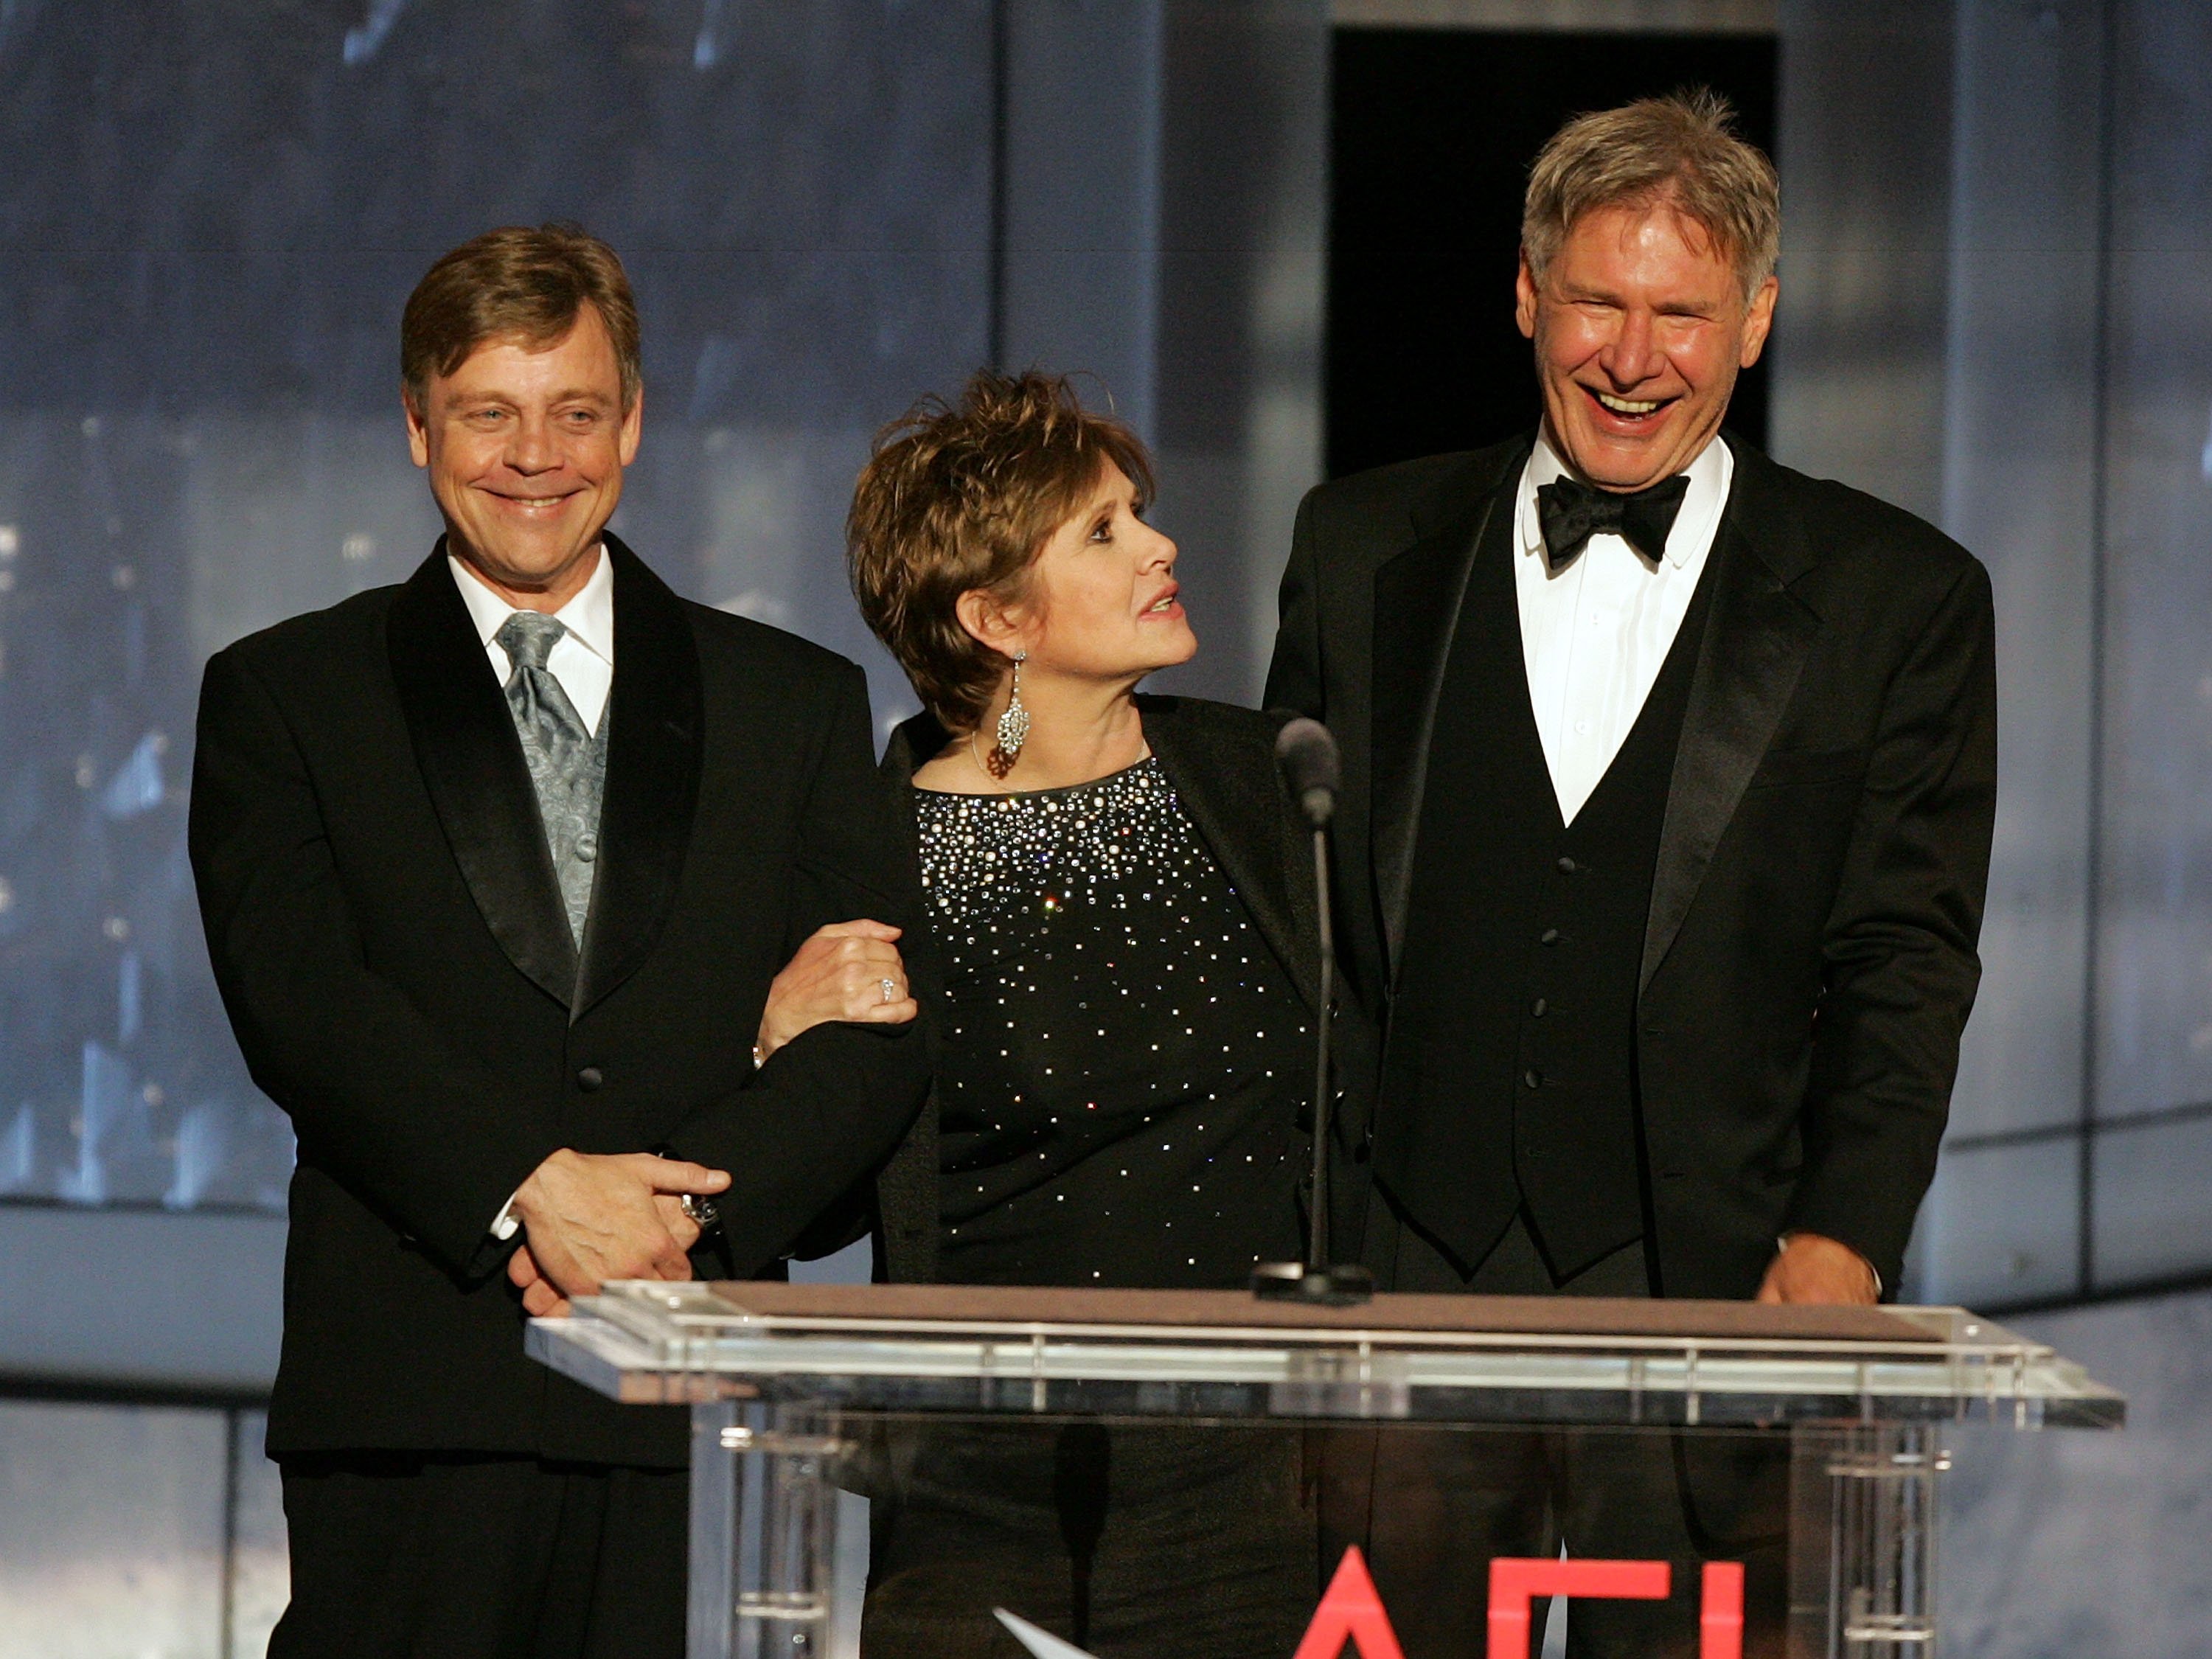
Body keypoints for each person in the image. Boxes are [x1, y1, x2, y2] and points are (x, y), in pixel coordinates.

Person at [1265, 92, 1996, 1656]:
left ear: (1758, 322)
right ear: (1528, 293)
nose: (1633, 356)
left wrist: (1844, 1237)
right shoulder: (1358, 545)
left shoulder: (1897, 598)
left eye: (1683, 314)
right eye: (1599, 301)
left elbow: (1907, 958)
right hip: (1405, 1301)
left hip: (1718, 1305)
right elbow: (1296, 923)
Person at [188, 223, 930, 1658]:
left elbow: (875, 1035)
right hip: (415, 1399)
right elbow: (300, 1003)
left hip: (684, 1385)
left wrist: (683, 1215)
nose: (536, 455)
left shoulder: (789, 701)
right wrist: (531, 1183)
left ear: (633, 422)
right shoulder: (291, 694)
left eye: (575, 412)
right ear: (419, 425)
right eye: (490, 413)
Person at [776, 369, 1331, 1657]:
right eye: (1104, 531)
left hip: (1257, 1488)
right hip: (984, 1503)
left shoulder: (1263, 779)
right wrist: (778, 1047)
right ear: (997, 617)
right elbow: (814, 1210)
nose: (1160, 546)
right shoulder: (872, 853)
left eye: (1141, 513)